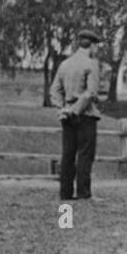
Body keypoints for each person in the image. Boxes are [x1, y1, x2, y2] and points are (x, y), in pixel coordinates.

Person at [51, 30, 103, 200]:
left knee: (68, 154)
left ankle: (65, 194)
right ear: (92, 46)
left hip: (67, 116)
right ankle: (84, 194)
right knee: (85, 154)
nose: (97, 50)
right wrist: (75, 110)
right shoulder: (92, 64)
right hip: (85, 115)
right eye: (97, 47)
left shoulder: (65, 64)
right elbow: (90, 93)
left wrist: (63, 108)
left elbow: (54, 91)